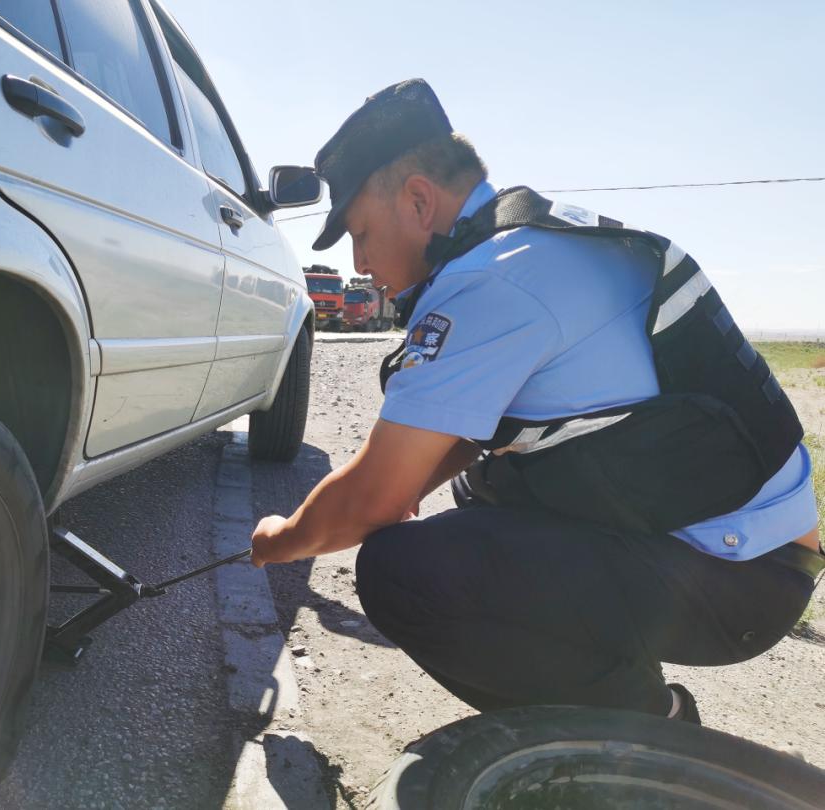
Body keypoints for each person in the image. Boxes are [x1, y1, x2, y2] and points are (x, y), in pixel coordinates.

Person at [250, 79, 823, 722]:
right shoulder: (532, 242)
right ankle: (619, 691)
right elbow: (440, 453)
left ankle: (646, 736)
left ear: (417, 200)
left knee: (404, 572)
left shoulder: (487, 281)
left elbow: (374, 501)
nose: (360, 260)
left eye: (359, 232)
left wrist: (280, 540)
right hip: (755, 552)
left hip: (740, 580)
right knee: (482, 495)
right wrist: (401, 485)